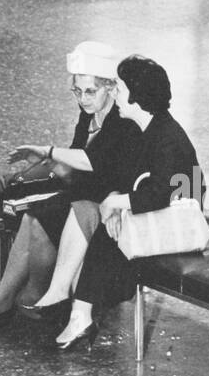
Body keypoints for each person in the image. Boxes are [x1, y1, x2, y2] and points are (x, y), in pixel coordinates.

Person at [0, 41, 143, 327]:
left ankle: (31, 294)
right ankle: (4, 298)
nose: (83, 99)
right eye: (77, 91)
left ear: (112, 89)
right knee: (32, 216)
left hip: (102, 210)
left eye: (91, 91)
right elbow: (76, 174)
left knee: (43, 217)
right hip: (82, 198)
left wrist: (49, 152)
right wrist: (51, 165)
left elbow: (93, 162)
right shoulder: (88, 117)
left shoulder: (124, 125)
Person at [55, 56, 200, 351]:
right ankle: (80, 313)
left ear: (137, 96)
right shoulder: (151, 129)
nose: (116, 94)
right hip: (160, 215)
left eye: (120, 88)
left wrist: (120, 203)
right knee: (107, 226)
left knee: (108, 235)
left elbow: (167, 192)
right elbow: (135, 181)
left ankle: (81, 314)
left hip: (178, 225)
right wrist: (117, 203)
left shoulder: (166, 138)